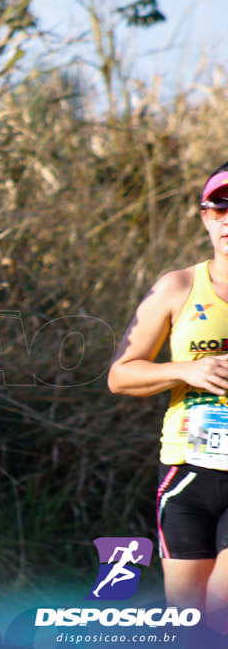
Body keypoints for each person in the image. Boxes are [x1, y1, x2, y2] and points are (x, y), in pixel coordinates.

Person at [109, 161, 228, 614]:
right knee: (188, 620)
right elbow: (121, 376)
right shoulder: (177, 287)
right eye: (219, 207)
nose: (227, 219)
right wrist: (185, 371)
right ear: (204, 216)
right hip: (186, 473)